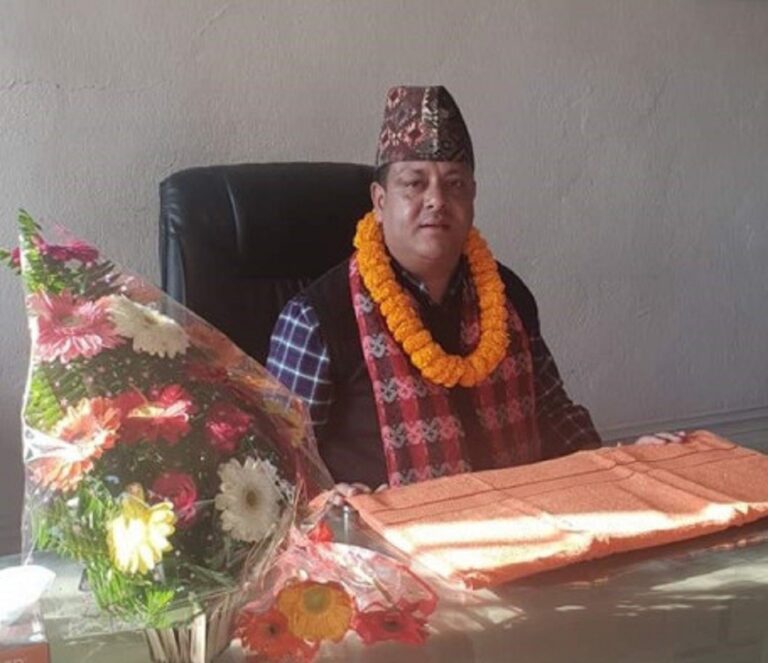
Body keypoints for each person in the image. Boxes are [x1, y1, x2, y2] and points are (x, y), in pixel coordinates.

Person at [267, 85, 602, 491]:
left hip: (518, 520)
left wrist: (620, 466)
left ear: (472, 196)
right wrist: (331, 500)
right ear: (379, 200)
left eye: (454, 184)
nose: (437, 200)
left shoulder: (507, 295)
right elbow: (278, 463)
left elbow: (552, 412)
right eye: (414, 183)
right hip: (383, 530)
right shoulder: (316, 318)